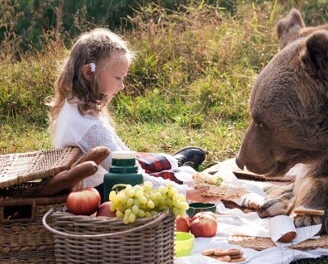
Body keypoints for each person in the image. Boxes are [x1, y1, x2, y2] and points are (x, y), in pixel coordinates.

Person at [48, 28, 215, 202]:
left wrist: (135, 164)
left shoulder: (74, 104)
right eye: (118, 78)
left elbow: (121, 152)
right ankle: (178, 168)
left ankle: (172, 162)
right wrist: (184, 193)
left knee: (142, 160)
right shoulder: (89, 127)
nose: (122, 86)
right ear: (89, 73)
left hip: (107, 178)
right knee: (179, 179)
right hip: (103, 193)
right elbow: (130, 179)